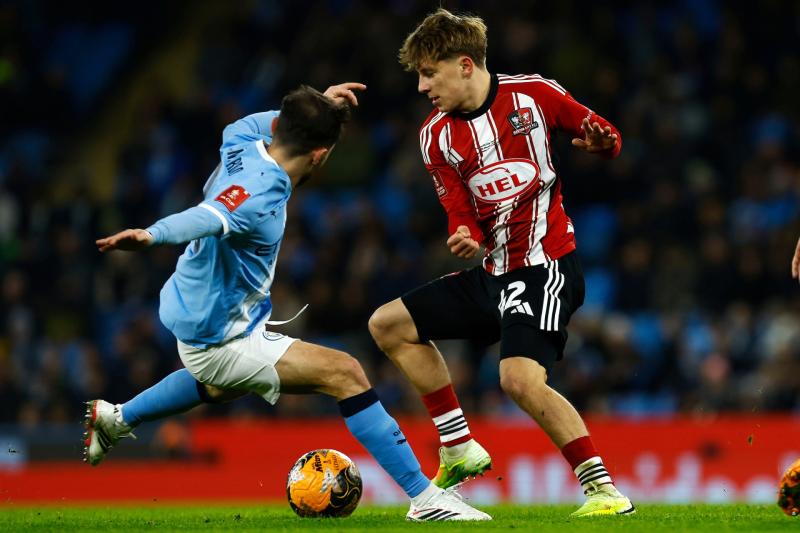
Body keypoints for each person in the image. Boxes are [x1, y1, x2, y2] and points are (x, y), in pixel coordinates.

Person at [86, 82, 489, 522]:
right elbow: (206, 217)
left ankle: (117, 418)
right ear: (320, 155)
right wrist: (152, 234)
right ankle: (426, 500)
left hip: (209, 311)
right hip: (221, 335)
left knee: (218, 386)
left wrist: (321, 104)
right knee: (346, 373)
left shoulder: (241, 138)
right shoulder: (259, 195)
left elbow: (279, 123)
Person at [368, 9, 634, 518]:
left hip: (545, 265)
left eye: (430, 73)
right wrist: (462, 235)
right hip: (490, 273)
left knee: (516, 380)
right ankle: (458, 446)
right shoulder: (435, 137)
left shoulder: (535, 94)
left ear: (465, 64)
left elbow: (602, 133)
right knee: (388, 325)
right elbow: (457, 211)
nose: (423, 86)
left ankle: (603, 489)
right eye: (420, 75)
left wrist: (604, 143)